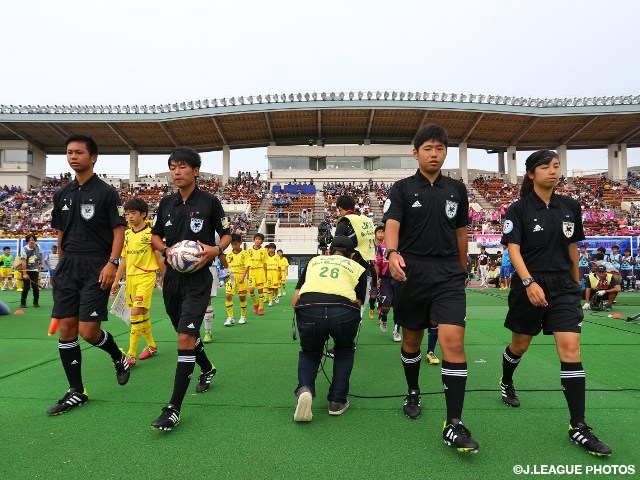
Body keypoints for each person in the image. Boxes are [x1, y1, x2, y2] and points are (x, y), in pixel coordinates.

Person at [499, 149, 611, 456]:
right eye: (546, 166)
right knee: (519, 346)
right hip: (529, 286)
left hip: (562, 286)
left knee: (571, 350)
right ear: (531, 173)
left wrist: (575, 282)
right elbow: (513, 250)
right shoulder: (518, 209)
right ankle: (506, 380)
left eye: (557, 165)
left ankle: (578, 425)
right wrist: (528, 282)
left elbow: (572, 246)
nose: (553, 170)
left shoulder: (570, 206)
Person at [383, 124, 478, 453]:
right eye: (427, 148)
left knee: (453, 342)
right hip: (412, 273)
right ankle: (413, 390)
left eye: (439, 148)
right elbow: (391, 224)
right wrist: (392, 253)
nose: (434, 154)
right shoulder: (402, 188)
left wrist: (462, 268)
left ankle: (454, 423)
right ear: (416, 153)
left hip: (449, 274)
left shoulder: (457, 189)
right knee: (412, 340)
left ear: (445, 152)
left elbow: (461, 231)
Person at [47, 134, 130, 416]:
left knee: (88, 331)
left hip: (97, 265)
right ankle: (77, 391)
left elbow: (119, 231)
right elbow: (60, 233)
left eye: (79, 152)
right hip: (69, 266)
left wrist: (112, 263)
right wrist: (60, 266)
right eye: (69, 152)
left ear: (93, 157)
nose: (73, 156)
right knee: (67, 329)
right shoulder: (61, 195)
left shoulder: (107, 193)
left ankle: (118, 357)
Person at [150, 146, 231, 431]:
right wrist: (168, 249)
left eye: (182, 166)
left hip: (198, 280)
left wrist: (215, 250)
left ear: (195, 170)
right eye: (173, 166)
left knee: (185, 338)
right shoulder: (165, 204)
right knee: (186, 333)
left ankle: (173, 408)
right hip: (172, 279)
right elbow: (155, 237)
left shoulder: (210, 202)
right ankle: (207, 368)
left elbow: (227, 234)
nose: (177, 171)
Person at [292, 235, 367, 422]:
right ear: (352, 255)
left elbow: (295, 301)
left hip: (309, 309)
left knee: (310, 352)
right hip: (343, 311)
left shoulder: (314, 262)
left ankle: (305, 389)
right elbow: (358, 302)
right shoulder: (358, 267)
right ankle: (337, 401)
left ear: (329, 251)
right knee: (344, 350)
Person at [111, 197, 165, 366]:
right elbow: (124, 259)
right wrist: (116, 280)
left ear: (143, 214)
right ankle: (152, 346)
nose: (129, 217)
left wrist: (166, 276)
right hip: (130, 279)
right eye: (127, 214)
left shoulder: (152, 235)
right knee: (142, 314)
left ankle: (131, 355)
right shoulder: (126, 234)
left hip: (146, 277)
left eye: (133, 213)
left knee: (135, 313)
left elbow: (158, 256)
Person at [224, 233, 250, 326]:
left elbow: (247, 266)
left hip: (241, 276)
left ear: (240, 243)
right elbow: (227, 266)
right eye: (232, 244)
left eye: (236, 244)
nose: (234, 246)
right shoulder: (229, 254)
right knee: (228, 296)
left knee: (242, 297)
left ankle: (243, 316)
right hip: (231, 277)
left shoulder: (245, 253)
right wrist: (226, 277)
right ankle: (230, 317)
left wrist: (243, 277)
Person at [19, 233, 43, 308]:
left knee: (35, 286)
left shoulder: (38, 247)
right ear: (27, 241)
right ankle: (23, 302)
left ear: (35, 240)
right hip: (26, 269)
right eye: (30, 240)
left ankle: (36, 302)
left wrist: (40, 264)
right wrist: (25, 273)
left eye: (33, 240)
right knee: (26, 287)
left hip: (35, 270)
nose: (31, 241)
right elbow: (23, 262)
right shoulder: (24, 249)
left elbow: (40, 255)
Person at [247, 233, 268, 316]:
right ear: (254, 240)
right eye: (256, 239)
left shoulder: (264, 251)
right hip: (251, 271)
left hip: (260, 271)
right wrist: (247, 273)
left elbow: (265, 264)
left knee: (260, 290)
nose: (257, 240)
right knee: (251, 290)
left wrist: (265, 275)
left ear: (262, 241)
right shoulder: (249, 250)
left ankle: (261, 307)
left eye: (259, 239)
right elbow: (247, 263)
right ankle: (256, 303)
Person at [368, 226, 385, 320]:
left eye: (383, 232)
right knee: (373, 295)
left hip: (384, 271)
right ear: (375, 234)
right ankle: (371, 308)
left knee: (383, 294)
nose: (381, 234)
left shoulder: (386, 245)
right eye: (379, 232)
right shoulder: (370, 245)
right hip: (373, 271)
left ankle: (380, 314)